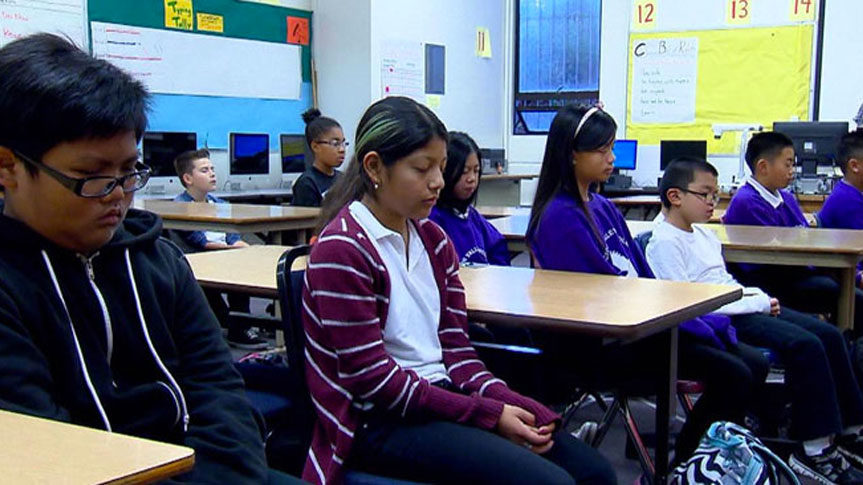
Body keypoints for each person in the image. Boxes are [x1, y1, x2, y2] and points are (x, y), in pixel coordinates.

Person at [0, 34, 273, 483]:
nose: (118, 196)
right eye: (90, 176)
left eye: (129, 172)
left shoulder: (157, 259)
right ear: (8, 166)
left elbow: (219, 390)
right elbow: (44, 451)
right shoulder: (10, 285)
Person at [301, 96, 616, 484]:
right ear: (374, 167)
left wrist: (505, 400)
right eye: (422, 168)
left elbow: (457, 351)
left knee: (594, 471)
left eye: (442, 167)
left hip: (438, 397)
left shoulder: (432, 239)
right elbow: (375, 383)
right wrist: (487, 413)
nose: (438, 181)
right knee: (551, 481)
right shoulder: (342, 250)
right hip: (375, 420)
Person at [526, 104, 769, 461]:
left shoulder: (601, 204)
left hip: (642, 325)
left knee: (753, 363)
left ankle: (706, 455)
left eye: (612, 147)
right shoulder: (560, 216)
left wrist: (683, 315)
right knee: (735, 374)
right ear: (571, 155)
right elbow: (601, 295)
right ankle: (686, 463)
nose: (611, 158)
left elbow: (643, 274)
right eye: (601, 150)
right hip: (607, 344)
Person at [648, 157, 863, 484]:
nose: (712, 202)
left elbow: (724, 281)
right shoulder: (664, 242)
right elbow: (687, 303)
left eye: (716, 195)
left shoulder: (705, 236)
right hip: (722, 317)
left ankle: (849, 428)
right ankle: (816, 448)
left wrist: (754, 298)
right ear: (675, 196)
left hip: (742, 303)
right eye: (705, 194)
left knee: (829, 335)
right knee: (805, 345)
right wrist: (755, 301)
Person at [723, 131, 863, 330]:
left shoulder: (786, 198)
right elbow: (775, 257)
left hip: (799, 273)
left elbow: (806, 238)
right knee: (845, 295)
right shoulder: (747, 201)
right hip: (772, 281)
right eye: (787, 164)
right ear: (763, 166)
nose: (792, 170)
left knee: (847, 293)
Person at [172, 148, 267, 350]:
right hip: (200, 259)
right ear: (188, 178)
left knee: (249, 258)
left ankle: (238, 324)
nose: (212, 173)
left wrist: (249, 249)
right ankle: (237, 327)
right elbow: (200, 241)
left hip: (223, 254)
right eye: (205, 170)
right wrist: (233, 250)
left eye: (212, 168)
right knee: (238, 265)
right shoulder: (179, 206)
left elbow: (233, 236)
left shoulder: (220, 203)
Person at [429, 131, 509, 266]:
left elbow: (498, 246)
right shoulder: (434, 219)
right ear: (446, 172)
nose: (471, 178)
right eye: (464, 172)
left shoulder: (472, 216)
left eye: (476, 171)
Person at [291, 108, 345, 207]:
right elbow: (308, 221)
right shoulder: (307, 183)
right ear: (315, 146)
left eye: (343, 143)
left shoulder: (343, 179)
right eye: (335, 143)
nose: (342, 149)